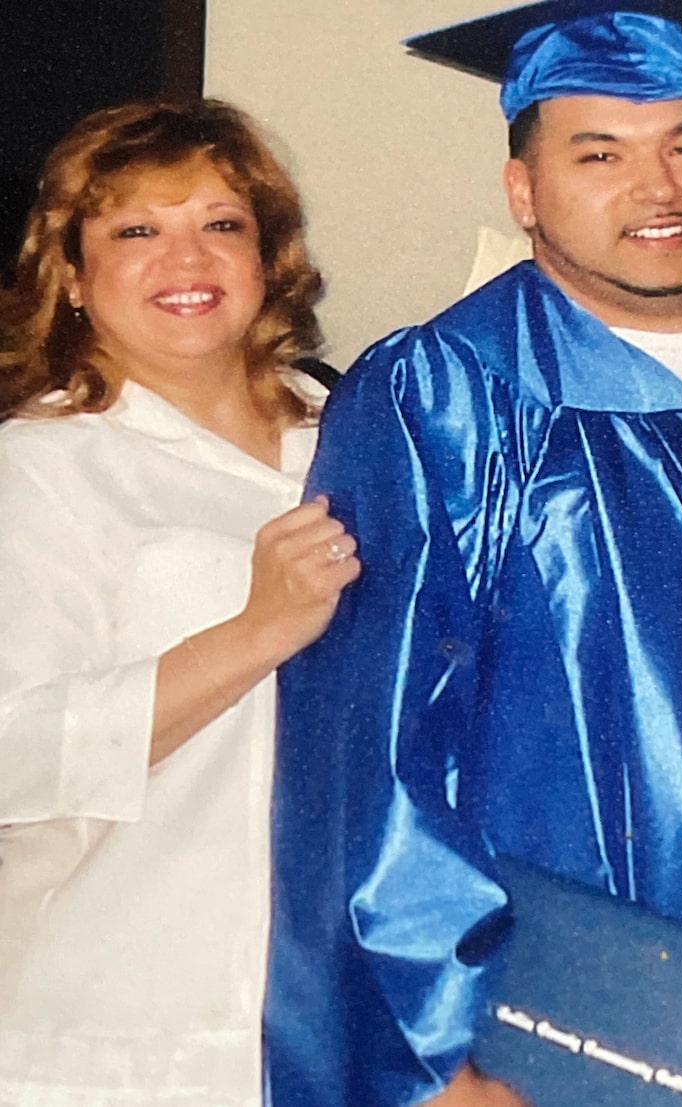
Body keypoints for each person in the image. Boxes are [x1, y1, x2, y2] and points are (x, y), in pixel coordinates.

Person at [264, 1, 682, 1105]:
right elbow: (366, 756)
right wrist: (439, 1055)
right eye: (599, 154)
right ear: (522, 189)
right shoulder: (443, 393)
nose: (656, 188)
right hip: (554, 1022)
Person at [0, 98, 359, 1106]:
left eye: (220, 225)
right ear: (71, 275)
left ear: (268, 257)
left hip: (337, 1003)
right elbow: (12, 751)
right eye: (136, 231)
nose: (187, 259)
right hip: (122, 1016)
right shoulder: (44, 465)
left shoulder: (356, 436)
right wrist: (256, 633)